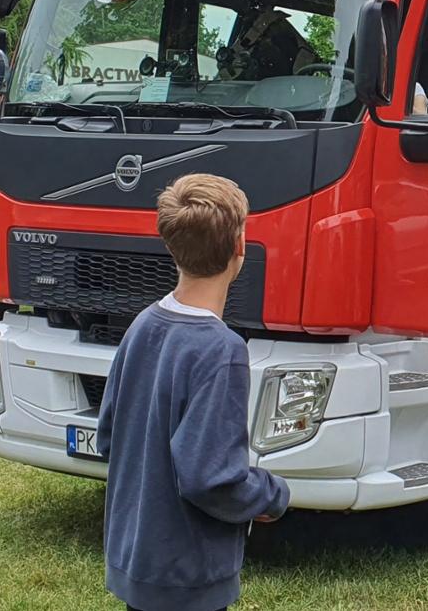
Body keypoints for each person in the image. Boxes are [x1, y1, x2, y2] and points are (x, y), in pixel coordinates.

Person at [97, 173, 288, 611]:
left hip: (139, 563)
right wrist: (270, 494)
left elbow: (109, 436)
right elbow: (212, 480)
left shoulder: (142, 324)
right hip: (188, 577)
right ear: (240, 246)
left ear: (171, 245)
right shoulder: (222, 350)